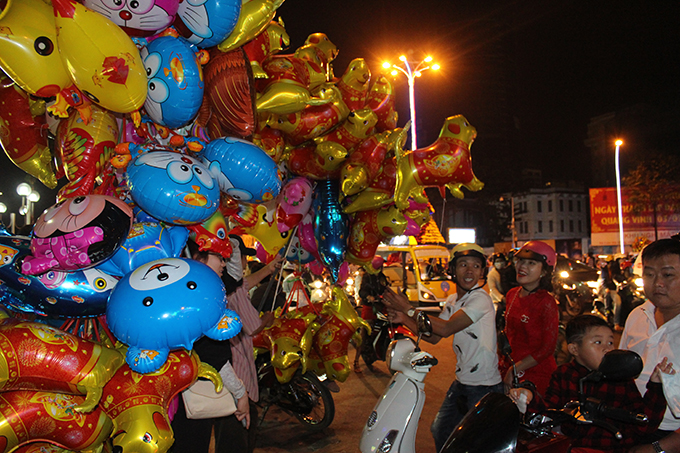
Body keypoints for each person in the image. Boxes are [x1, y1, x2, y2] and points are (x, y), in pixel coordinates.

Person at [383, 243, 503, 452]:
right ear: (452, 269)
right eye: (463, 264)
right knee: (441, 430)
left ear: (482, 271)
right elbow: (434, 336)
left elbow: (447, 328)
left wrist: (409, 309)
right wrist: (404, 317)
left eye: (476, 266)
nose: (469, 271)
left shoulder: (481, 299)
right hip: (462, 382)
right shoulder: (453, 299)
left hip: (484, 386)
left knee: (475, 442)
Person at [511, 314, 671, 453]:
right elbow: (549, 414)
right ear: (574, 349)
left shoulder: (621, 378)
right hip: (570, 447)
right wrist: (528, 395)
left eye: (610, 343)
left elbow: (643, 423)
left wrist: (656, 386)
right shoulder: (564, 374)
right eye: (598, 343)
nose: (607, 349)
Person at [171, 241, 251, 453]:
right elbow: (211, 356)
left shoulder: (183, 291)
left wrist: (227, 234)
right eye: (219, 256)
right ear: (198, 258)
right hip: (191, 394)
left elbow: (234, 277)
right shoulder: (196, 301)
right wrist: (240, 393)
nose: (224, 262)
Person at [622, 238, 680, 453]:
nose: (657, 283)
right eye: (649, 274)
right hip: (631, 426)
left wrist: (659, 448)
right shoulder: (637, 315)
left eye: (667, 275)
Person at [500, 240, 559, 397]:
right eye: (520, 261)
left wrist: (515, 369)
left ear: (544, 271)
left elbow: (547, 349)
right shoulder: (512, 294)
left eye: (531, 263)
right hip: (510, 370)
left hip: (536, 375)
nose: (522, 267)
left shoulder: (546, 302)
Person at [354, 256, 388, 372]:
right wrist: (369, 297)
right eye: (380, 266)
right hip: (369, 308)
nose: (381, 268)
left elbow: (386, 289)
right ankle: (356, 361)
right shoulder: (367, 277)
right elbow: (362, 291)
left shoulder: (382, 277)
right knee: (364, 334)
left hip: (381, 307)